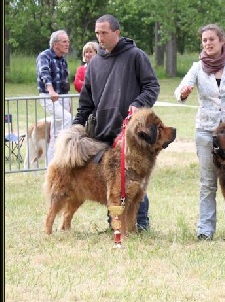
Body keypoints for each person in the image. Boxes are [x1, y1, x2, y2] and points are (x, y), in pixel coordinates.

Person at [72, 14, 160, 232]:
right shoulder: (94, 65)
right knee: (111, 181)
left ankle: (140, 222)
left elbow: (152, 86)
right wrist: (75, 126)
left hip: (131, 135)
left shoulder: (135, 56)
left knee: (134, 178)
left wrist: (139, 104)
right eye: (97, 33)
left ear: (117, 33)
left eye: (104, 33)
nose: (100, 38)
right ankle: (115, 224)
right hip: (103, 132)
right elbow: (86, 102)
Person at [174, 24, 225, 241]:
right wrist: (184, 92)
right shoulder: (197, 67)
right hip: (206, 132)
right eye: (204, 40)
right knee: (208, 182)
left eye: (212, 39)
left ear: (222, 41)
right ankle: (205, 229)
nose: (208, 43)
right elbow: (179, 92)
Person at [36, 29, 72, 165]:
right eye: (64, 41)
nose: (67, 44)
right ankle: (63, 151)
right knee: (67, 119)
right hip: (49, 96)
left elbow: (64, 81)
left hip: (62, 97)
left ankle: (51, 164)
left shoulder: (63, 60)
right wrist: (51, 90)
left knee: (56, 131)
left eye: (68, 41)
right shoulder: (44, 56)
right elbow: (44, 74)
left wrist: (67, 101)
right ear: (55, 44)